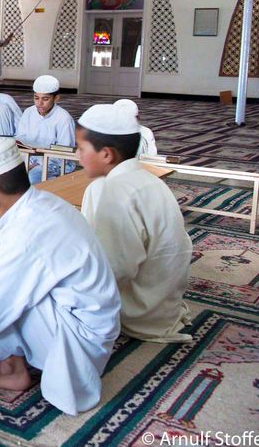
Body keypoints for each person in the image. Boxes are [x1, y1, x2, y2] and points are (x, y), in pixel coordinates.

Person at [0, 137, 121, 415]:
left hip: (78, 343)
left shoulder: (29, 233)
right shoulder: (40, 203)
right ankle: (11, 362)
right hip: (85, 319)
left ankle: (6, 366)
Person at [76, 104, 192, 343]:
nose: (77, 156)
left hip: (139, 311)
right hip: (164, 303)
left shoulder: (112, 191)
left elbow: (114, 270)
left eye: (81, 148)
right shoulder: (149, 180)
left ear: (106, 154)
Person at [15, 75, 76, 183]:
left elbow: (63, 153)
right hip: (29, 159)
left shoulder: (64, 118)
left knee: (32, 177)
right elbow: (20, 141)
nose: (39, 103)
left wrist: (37, 164)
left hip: (55, 162)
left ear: (56, 98)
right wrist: (27, 163)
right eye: (36, 98)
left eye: (45, 99)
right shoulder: (28, 112)